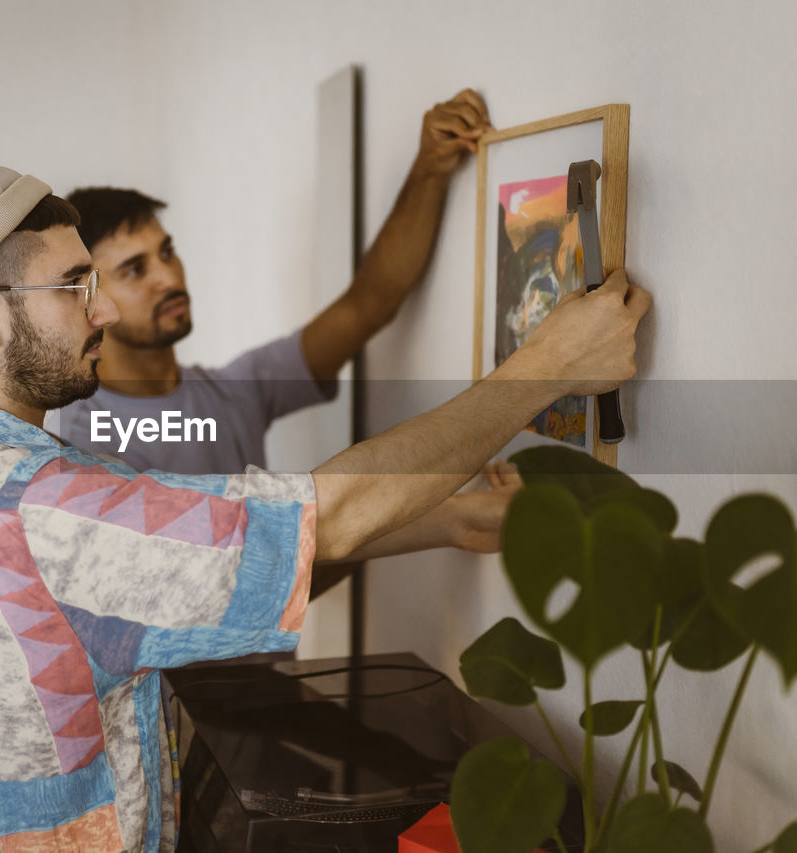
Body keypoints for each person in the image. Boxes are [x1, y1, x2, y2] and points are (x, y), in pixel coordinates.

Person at [0, 162, 648, 852]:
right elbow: (317, 522)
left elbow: (245, 536)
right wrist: (545, 367)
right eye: (77, 285)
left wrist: (448, 519)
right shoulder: (34, 508)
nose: (100, 311)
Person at [55, 89, 517, 592]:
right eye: (135, 269)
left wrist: (430, 166)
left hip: (265, 673)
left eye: (167, 252)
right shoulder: (84, 440)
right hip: (170, 676)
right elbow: (227, 592)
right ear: (89, 298)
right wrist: (452, 520)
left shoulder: (233, 392)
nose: (167, 278)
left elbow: (369, 302)